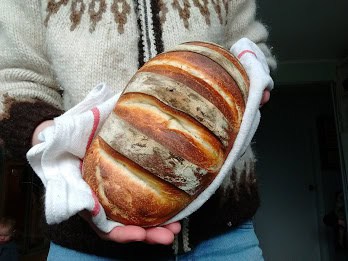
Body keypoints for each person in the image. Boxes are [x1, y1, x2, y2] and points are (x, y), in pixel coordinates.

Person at [0, 0, 276, 260]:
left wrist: (254, 75)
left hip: (225, 235)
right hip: (85, 243)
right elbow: (13, 81)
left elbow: (249, 49)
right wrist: (57, 148)